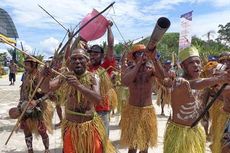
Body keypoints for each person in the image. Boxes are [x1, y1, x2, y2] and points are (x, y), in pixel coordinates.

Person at [41, 48, 116, 153]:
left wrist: (79, 86)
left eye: (80, 58)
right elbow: (46, 88)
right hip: (71, 128)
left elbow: (97, 100)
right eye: (74, 59)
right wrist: (46, 77)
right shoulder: (65, 76)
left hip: (90, 127)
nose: (77, 61)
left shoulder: (93, 77)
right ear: (70, 62)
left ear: (87, 61)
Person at [163, 46, 230, 153]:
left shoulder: (206, 82)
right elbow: (193, 84)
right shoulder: (179, 82)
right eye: (191, 63)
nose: (196, 65)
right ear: (182, 66)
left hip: (196, 131)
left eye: (198, 62)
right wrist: (217, 79)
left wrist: (221, 78)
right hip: (180, 133)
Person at [120, 44, 162, 153]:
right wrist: (138, 64)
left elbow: (164, 79)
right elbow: (125, 82)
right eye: (139, 53)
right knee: (132, 146)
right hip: (132, 111)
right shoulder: (130, 69)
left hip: (147, 112)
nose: (143, 56)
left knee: (144, 146)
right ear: (134, 56)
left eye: (145, 53)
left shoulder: (151, 70)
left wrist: (155, 60)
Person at [16, 56, 53, 153]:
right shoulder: (25, 75)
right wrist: (20, 103)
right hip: (26, 106)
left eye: (28, 65)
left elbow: (49, 93)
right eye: (25, 64)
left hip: (39, 107)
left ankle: (47, 149)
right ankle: (30, 150)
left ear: (34, 65)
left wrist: (36, 101)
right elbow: (23, 90)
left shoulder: (41, 76)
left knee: (42, 130)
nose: (25, 67)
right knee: (26, 129)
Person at [88, 21, 116, 135]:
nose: (92, 55)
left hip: (102, 110)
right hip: (87, 109)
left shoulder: (106, 67)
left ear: (102, 55)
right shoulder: (85, 68)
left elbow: (110, 45)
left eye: (96, 53)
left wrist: (109, 27)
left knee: (102, 140)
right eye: (91, 53)